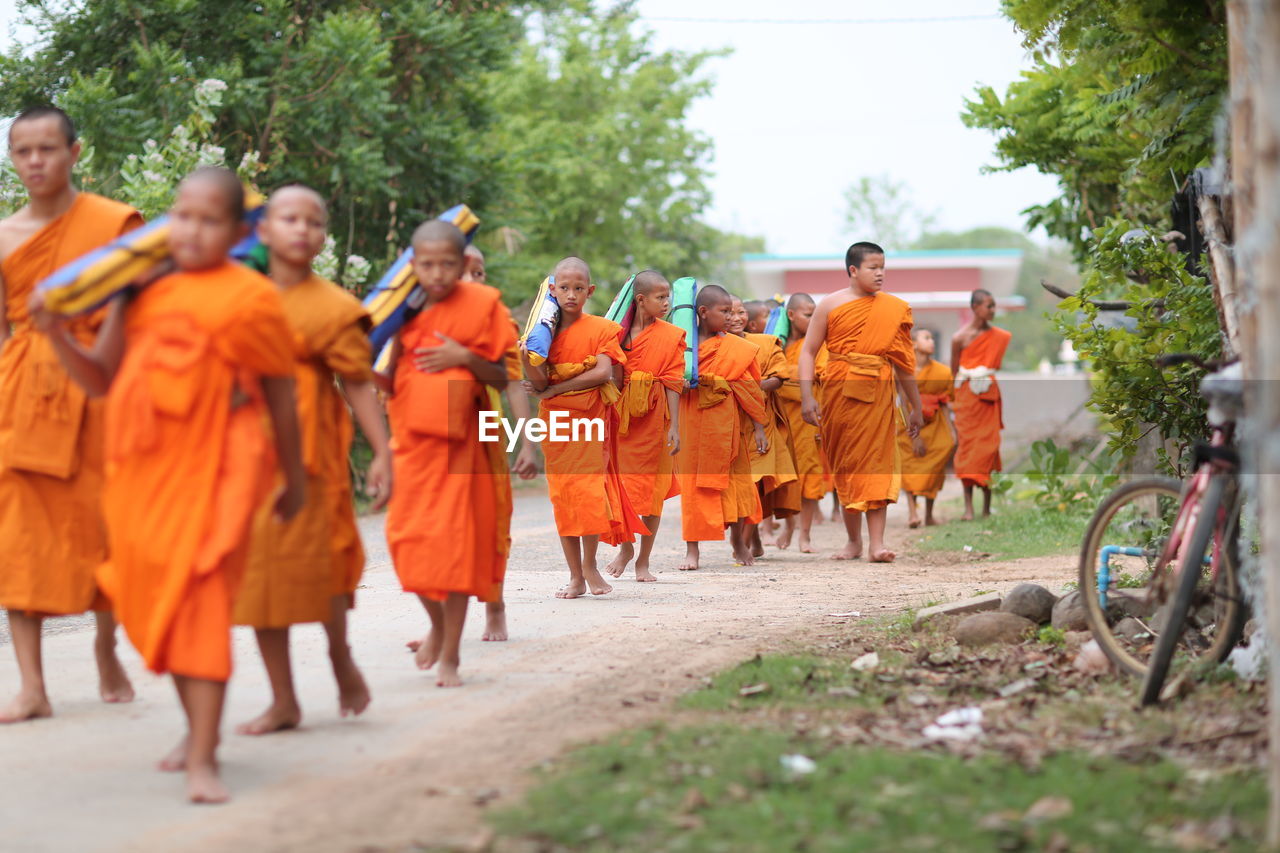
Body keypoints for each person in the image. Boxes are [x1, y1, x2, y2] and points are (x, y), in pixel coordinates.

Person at [35, 166, 306, 803]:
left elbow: (280, 395)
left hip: (222, 470)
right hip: (142, 473)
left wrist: (294, 480)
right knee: (156, 603)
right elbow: (101, 378)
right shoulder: (138, 289)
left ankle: (203, 757)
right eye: (181, 215)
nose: (190, 229)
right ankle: (194, 730)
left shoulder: (251, 296)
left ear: (238, 231)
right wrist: (51, 332)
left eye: (208, 219)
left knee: (202, 601)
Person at [0, 106, 142, 723]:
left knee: (103, 528)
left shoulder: (115, 225)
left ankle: (107, 643)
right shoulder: (3, 235)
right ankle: (32, 685)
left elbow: (136, 316)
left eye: (47, 149)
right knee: (18, 540)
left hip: (96, 386)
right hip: (21, 396)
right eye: (23, 151)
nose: (35, 162)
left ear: (75, 152)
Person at [232, 185, 392, 735]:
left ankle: (339, 655)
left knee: (323, 566)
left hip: (313, 453)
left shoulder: (336, 308)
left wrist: (383, 451)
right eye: (289, 218)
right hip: (249, 454)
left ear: (322, 238)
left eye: (313, 222)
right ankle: (283, 699)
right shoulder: (237, 297)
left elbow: (358, 384)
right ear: (264, 231)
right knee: (258, 579)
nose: (302, 229)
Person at [379, 220, 515, 687]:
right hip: (410, 445)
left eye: (447, 265)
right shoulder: (396, 309)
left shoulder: (482, 305)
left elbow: (502, 376)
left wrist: (464, 358)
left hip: (461, 448)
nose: (437, 274)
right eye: (427, 265)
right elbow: (374, 370)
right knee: (405, 544)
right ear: (411, 263)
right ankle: (436, 627)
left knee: (455, 551)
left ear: (462, 265)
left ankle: (452, 657)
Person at [522, 257, 646, 598]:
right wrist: (526, 357)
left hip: (591, 422)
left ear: (589, 291)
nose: (571, 295)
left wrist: (556, 387)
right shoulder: (541, 334)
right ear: (552, 290)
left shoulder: (602, 330)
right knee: (564, 498)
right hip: (557, 425)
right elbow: (536, 378)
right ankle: (575, 575)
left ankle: (590, 566)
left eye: (578, 289)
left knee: (589, 495)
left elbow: (603, 372)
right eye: (564, 288)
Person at [800, 241, 922, 563]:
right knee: (846, 465)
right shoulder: (830, 304)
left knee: (877, 465)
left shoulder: (893, 308)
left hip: (879, 394)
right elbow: (809, 352)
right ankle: (853, 540)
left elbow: (905, 365)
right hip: (839, 394)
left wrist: (916, 407)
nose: (880, 273)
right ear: (853, 270)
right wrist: (807, 395)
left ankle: (876, 544)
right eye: (873, 267)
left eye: (883, 267)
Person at [461, 243, 536, 641]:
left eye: (480, 273)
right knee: (440, 528)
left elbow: (512, 385)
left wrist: (527, 443)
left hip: (482, 432)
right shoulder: (420, 318)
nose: (472, 280)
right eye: (464, 271)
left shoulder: (497, 319)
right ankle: (442, 625)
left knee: (489, 524)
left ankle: (495, 606)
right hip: (434, 437)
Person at [674, 285, 768, 570]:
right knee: (692, 489)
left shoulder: (737, 348)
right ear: (703, 312)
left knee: (737, 484)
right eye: (724, 311)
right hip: (692, 422)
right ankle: (693, 550)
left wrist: (759, 427)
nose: (729, 317)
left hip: (728, 427)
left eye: (732, 311)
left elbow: (751, 390)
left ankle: (738, 541)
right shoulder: (684, 348)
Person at [605, 270, 684, 582]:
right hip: (619, 422)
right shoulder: (616, 334)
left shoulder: (670, 335)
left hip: (654, 422)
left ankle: (643, 561)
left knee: (652, 493)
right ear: (640, 299)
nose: (667, 303)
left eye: (668, 297)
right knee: (619, 489)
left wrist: (675, 426)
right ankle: (626, 547)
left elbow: (673, 383)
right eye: (660, 297)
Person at [738, 299, 800, 558]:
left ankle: (744, 542)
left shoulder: (765, 343)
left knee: (758, 481)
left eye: (739, 311)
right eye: (728, 312)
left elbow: (778, 377)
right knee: (743, 484)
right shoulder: (712, 345)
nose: (734, 316)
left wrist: (754, 387)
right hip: (732, 423)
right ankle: (751, 539)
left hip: (763, 421)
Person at [951, 288, 1012, 520]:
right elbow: (953, 373)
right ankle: (968, 508)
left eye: (994, 305)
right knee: (967, 450)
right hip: (966, 399)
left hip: (988, 397)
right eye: (989, 306)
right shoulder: (959, 338)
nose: (993, 310)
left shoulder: (1000, 336)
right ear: (975, 308)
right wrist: (951, 402)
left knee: (989, 449)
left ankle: (986, 507)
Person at [774, 293, 828, 552]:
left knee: (808, 477)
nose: (814, 319)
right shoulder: (778, 344)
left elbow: (821, 377)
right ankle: (788, 526)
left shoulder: (817, 346)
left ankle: (805, 535)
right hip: (781, 422)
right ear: (791, 315)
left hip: (808, 423)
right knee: (784, 479)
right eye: (808, 314)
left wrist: (787, 379)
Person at [896, 328, 955, 528]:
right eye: (926, 338)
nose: (932, 342)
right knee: (909, 466)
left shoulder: (943, 371)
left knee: (935, 468)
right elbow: (902, 403)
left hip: (936, 425)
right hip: (908, 424)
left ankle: (929, 514)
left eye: (932, 338)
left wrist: (952, 432)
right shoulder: (903, 369)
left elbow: (946, 403)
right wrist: (913, 436)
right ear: (912, 343)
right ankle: (913, 513)